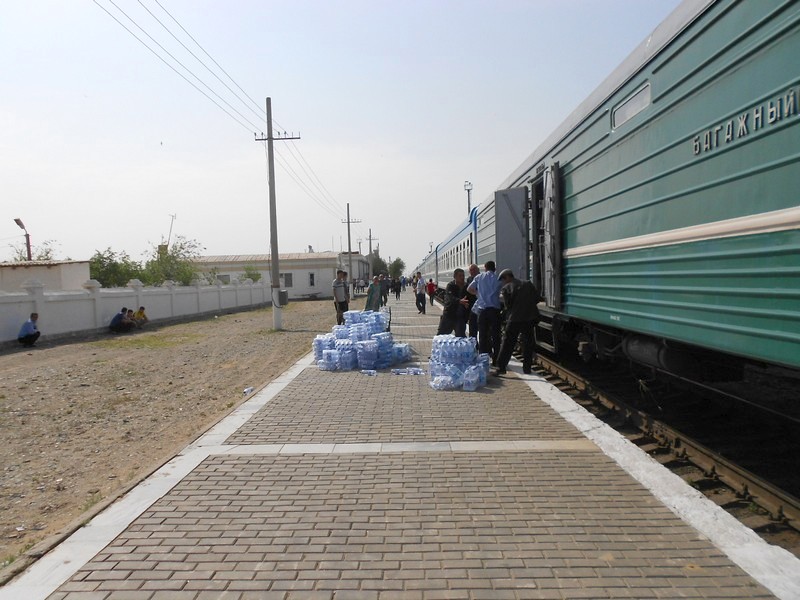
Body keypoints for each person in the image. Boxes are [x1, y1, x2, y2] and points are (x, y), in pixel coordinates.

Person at [494, 269, 541, 376]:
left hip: (514, 319)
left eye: (503, 280)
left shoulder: (506, 288)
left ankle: (501, 368)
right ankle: (527, 369)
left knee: (507, 343)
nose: (503, 282)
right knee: (528, 343)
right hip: (529, 318)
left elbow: (508, 305)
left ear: (507, 277)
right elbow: (537, 299)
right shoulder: (528, 283)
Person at [467, 260, 502, 364]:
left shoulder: (479, 277)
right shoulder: (498, 278)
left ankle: (483, 360)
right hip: (494, 311)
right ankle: (496, 359)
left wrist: (478, 294)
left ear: (485, 268)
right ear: (494, 268)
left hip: (482, 311)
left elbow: (469, 289)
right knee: (495, 336)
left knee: (482, 335)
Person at [436, 269, 469, 337]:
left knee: (461, 337)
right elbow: (449, 297)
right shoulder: (450, 285)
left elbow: (470, 298)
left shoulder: (466, 286)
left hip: (460, 317)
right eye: (460, 276)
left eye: (463, 275)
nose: (462, 277)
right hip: (449, 315)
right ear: (455, 277)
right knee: (441, 336)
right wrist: (459, 301)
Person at [465, 264, 480, 339]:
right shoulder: (469, 279)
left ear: (478, 270)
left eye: (474, 270)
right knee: (472, 325)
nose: (472, 272)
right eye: (471, 270)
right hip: (472, 305)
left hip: (480, 305)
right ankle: (473, 342)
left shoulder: (481, 278)